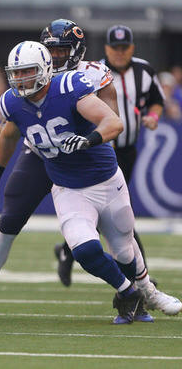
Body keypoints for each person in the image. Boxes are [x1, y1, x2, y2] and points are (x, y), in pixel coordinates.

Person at [0, 41, 181, 324]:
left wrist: (88, 139)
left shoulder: (70, 86)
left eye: (27, 71)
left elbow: (114, 123)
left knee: (124, 248)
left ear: (44, 69)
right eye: (16, 73)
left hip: (106, 180)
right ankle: (129, 292)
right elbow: (7, 136)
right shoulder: (12, 101)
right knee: (83, 249)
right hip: (67, 186)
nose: (20, 79)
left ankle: (147, 294)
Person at [55, 24, 165, 288]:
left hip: (127, 150)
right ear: (106, 48)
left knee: (114, 214)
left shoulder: (144, 71)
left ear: (132, 48)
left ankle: (67, 251)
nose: (119, 52)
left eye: (124, 47)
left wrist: (153, 116)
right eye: (115, 47)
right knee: (119, 216)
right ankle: (141, 277)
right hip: (99, 150)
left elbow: (157, 100)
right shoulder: (93, 72)